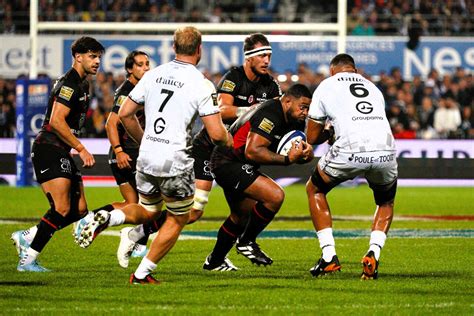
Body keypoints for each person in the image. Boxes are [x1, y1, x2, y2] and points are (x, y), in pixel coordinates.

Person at [76, 26, 231, 284]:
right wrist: (227, 138)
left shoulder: (153, 74)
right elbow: (216, 134)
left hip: (146, 156)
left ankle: (110, 217)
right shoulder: (201, 84)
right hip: (175, 160)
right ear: (200, 49)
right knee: (179, 217)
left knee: (149, 210)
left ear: (174, 47)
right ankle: (141, 274)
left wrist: (144, 139)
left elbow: (124, 115)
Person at [114, 32, 282, 269]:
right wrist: (253, 109)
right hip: (209, 149)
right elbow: (222, 110)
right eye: (262, 55)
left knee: (241, 212)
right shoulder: (233, 78)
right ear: (248, 57)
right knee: (192, 212)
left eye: (269, 55)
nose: (266, 60)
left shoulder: (271, 85)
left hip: (237, 154)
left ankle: (215, 260)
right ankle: (135, 233)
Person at [11, 36, 105, 272]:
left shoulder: (83, 84)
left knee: (80, 209)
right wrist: (81, 148)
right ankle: (28, 261)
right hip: (48, 148)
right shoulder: (69, 84)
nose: (97, 62)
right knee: (62, 208)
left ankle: (29, 235)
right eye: (92, 56)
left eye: (99, 57)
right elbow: (56, 121)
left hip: (60, 149)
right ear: (78, 57)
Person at [305, 53, 398, 280]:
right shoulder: (373, 87)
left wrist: (329, 132)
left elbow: (311, 136)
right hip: (385, 148)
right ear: (354, 71)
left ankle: (328, 256)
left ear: (332, 72)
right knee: (385, 201)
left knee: (315, 189)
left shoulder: (326, 86)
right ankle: (373, 252)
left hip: (350, 148)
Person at [204, 84, 314, 271]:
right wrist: (287, 160)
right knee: (274, 196)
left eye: (308, 108)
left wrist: (306, 154)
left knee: (241, 216)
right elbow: (253, 151)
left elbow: (298, 153)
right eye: (302, 107)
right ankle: (246, 241)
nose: (305, 112)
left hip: (237, 162)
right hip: (227, 161)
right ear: (287, 101)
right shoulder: (271, 113)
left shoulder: (294, 120)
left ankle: (214, 261)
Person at [76, 51, 151, 260]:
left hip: (123, 152)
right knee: (149, 203)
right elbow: (111, 123)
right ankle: (137, 242)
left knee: (131, 203)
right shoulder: (127, 91)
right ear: (130, 69)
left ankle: (93, 218)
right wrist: (119, 151)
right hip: (127, 152)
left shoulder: (139, 87)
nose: (146, 68)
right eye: (140, 65)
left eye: (147, 64)